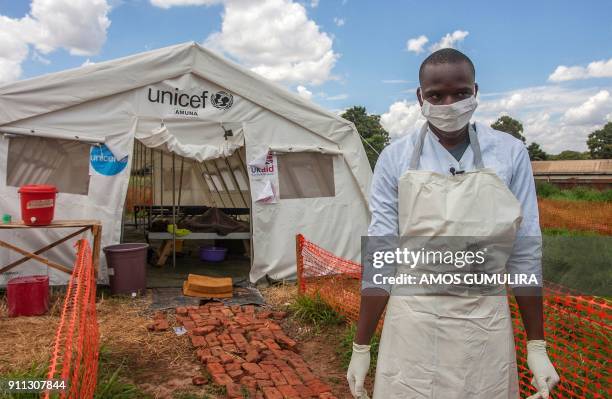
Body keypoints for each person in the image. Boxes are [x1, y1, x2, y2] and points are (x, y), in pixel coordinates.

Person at [346, 49, 560, 399]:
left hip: (483, 324)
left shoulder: (508, 153)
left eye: (460, 93)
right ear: (420, 97)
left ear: (475, 92)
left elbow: (524, 253)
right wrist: (361, 346)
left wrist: (536, 345)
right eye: (435, 95)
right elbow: (382, 255)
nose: (448, 104)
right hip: (413, 323)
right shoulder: (395, 158)